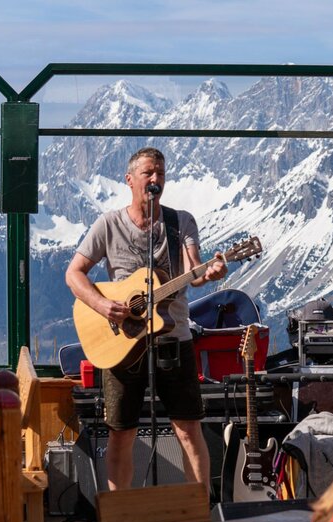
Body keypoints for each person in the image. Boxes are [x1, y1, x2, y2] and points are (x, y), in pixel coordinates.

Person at [65, 147, 226, 492]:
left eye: (161, 174)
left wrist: (210, 272)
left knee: (188, 428)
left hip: (173, 338)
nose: (156, 180)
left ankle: (198, 508)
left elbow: (195, 271)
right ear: (130, 180)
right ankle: (120, 512)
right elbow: (73, 274)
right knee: (121, 432)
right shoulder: (109, 224)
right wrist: (103, 305)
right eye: (148, 173)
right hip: (121, 343)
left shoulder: (180, 222)